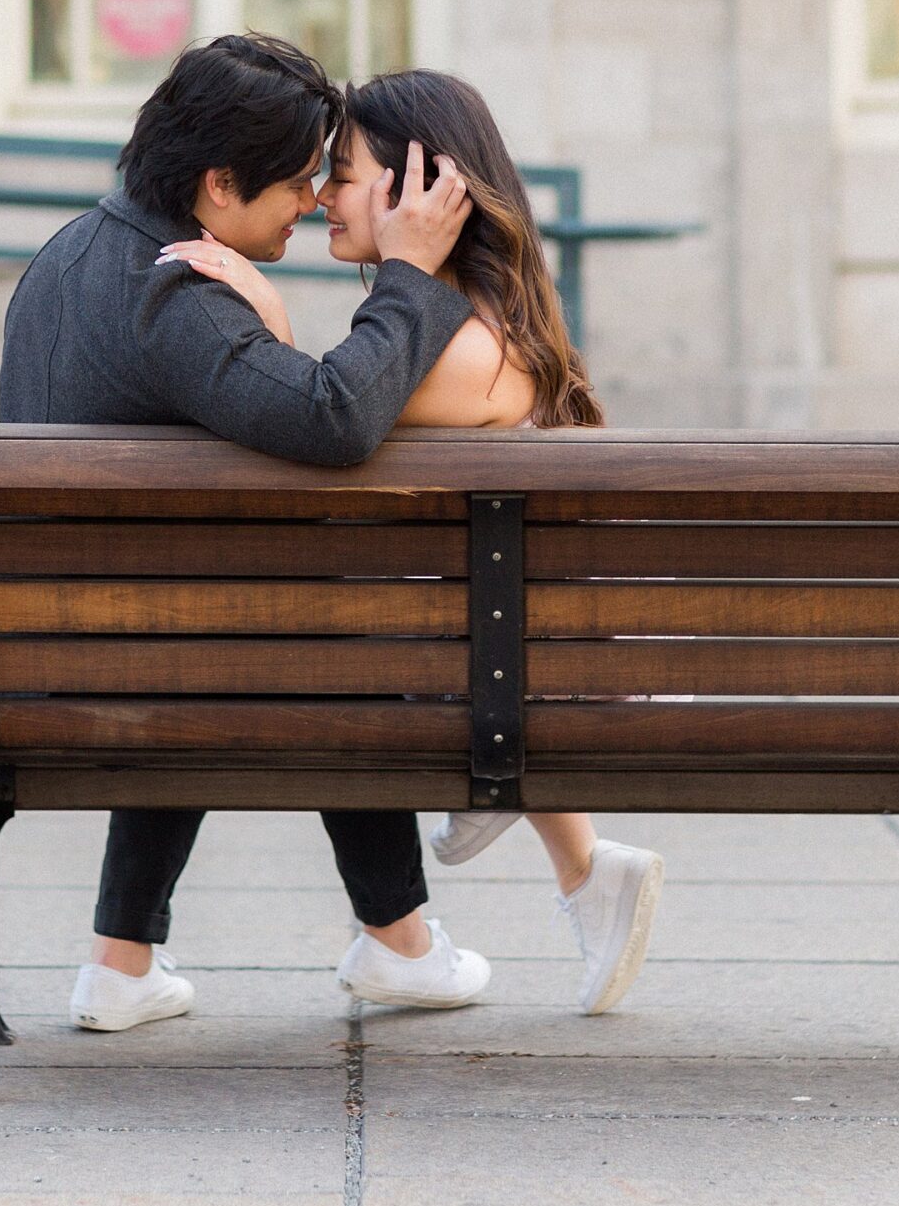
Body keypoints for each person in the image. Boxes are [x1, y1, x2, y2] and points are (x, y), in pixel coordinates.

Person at [0, 32, 493, 1033]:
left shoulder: (70, 255)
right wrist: (411, 274)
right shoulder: (172, 290)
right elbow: (335, 418)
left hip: (47, 655)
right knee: (327, 643)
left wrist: (264, 329)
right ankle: (400, 942)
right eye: (299, 181)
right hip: (122, 671)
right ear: (218, 185)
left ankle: (124, 960)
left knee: (239, 623)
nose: (313, 200)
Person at [160, 65, 665, 1017]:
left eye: (340, 174)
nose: (317, 201)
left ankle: (461, 862)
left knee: (266, 659)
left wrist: (261, 321)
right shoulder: (489, 324)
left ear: (418, 191)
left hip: (475, 669)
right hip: (499, 639)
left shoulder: (457, 355)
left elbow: (321, 426)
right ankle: (560, 867)